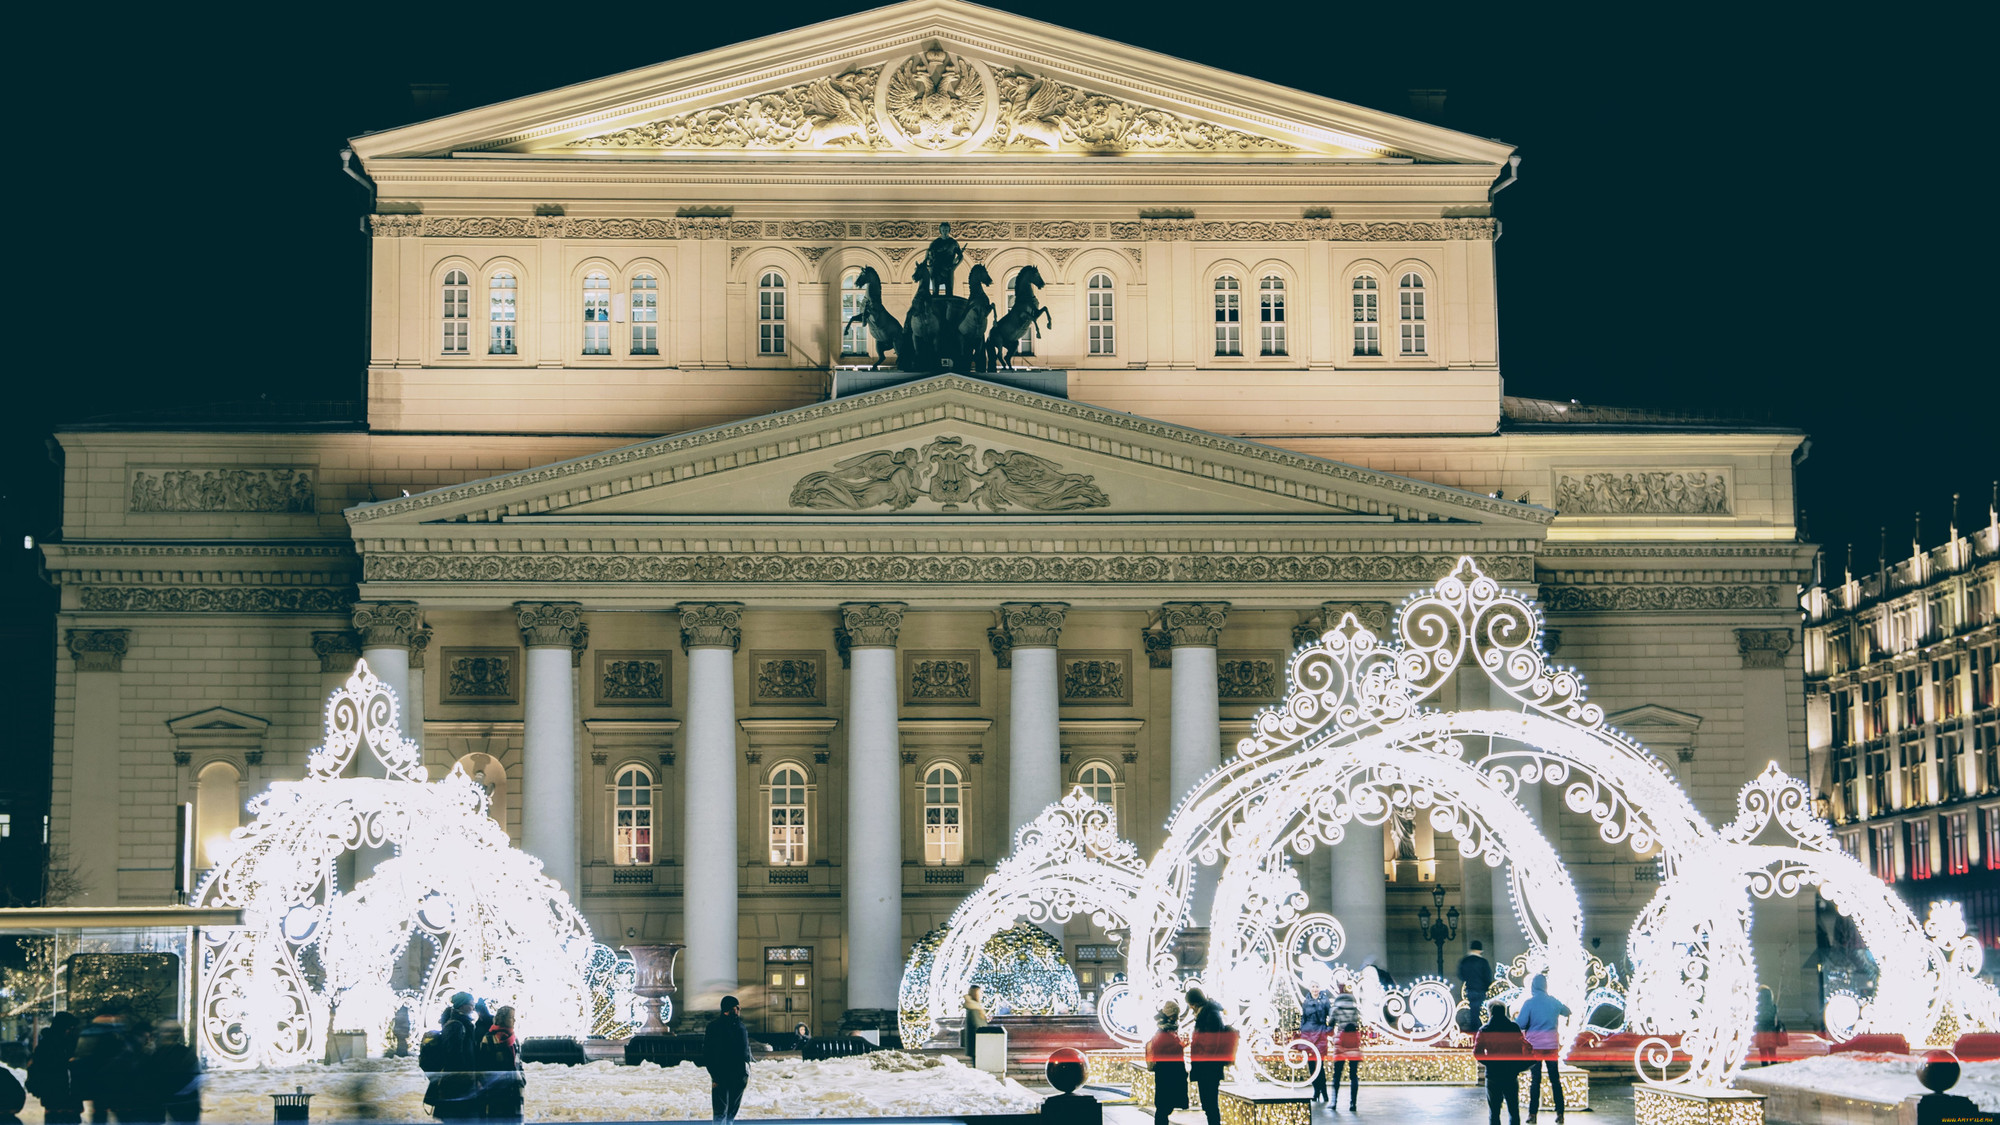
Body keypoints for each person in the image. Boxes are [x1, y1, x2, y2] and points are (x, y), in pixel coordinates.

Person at [1515, 975, 1571, 1124]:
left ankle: (1532, 1115)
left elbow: (1520, 1024)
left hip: (1535, 1048)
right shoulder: (1553, 1001)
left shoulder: (1529, 1003)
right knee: (1555, 1080)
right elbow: (1567, 1011)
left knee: (1535, 1081)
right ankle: (1560, 1114)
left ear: (1533, 986)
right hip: (1551, 1046)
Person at [423, 993, 489, 1120]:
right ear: (462, 1006)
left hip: (462, 1083)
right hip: (457, 1085)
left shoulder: (463, 1024)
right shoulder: (456, 1026)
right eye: (471, 1005)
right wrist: (469, 1078)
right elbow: (454, 1056)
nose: (473, 1008)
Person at [70, 1007, 139, 1125]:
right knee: (122, 1114)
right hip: (117, 1080)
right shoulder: (117, 1033)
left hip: (96, 1081)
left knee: (100, 1113)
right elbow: (128, 1055)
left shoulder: (88, 1032)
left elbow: (80, 1058)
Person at [1474, 1001, 1531, 1125]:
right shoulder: (1513, 1027)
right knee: (1513, 1110)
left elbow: (1477, 1053)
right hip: (1510, 1074)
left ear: (1490, 1012)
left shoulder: (1485, 1029)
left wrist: (1490, 1062)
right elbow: (1519, 1048)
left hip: (1493, 1075)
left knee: (1494, 1112)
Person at [1184, 987, 1235, 1125]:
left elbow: (1212, 1042)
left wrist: (1200, 1051)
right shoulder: (1206, 1014)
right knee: (1208, 1104)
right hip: (1205, 1066)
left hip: (1209, 1067)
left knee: (1210, 1104)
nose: (1190, 1008)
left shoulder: (1210, 1014)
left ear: (1194, 1003)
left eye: (1190, 1005)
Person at [25, 1012, 83, 1124]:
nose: (71, 1031)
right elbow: (53, 1068)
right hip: (59, 1092)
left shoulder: (47, 1044)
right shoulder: (59, 1045)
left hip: (53, 1095)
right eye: (70, 1028)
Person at [141, 1020, 203, 1123]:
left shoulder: (185, 1054)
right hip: (163, 1105)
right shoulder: (153, 1053)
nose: (169, 1034)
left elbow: (194, 1079)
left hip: (181, 1106)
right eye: (166, 1031)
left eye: (173, 1031)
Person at [703, 996, 753, 1124]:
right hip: (726, 1074)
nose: (739, 1010)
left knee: (725, 1111)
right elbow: (709, 1053)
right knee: (726, 1111)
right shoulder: (737, 1027)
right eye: (737, 1007)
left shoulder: (717, 1027)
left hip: (730, 1074)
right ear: (732, 1009)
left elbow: (708, 1053)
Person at [476, 1006, 524, 1123]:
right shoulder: (489, 1039)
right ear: (503, 1019)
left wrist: (521, 1078)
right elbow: (483, 1064)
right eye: (511, 1017)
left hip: (514, 1087)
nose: (514, 1020)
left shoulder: (514, 1039)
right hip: (497, 1088)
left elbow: (518, 1061)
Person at [1144, 1002, 1187, 1125]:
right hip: (1167, 1074)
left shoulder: (1169, 1030)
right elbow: (1163, 1051)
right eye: (1174, 1015)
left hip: (1168, 1073)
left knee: (1165, 1107)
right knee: (1164, 1107)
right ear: (1168, 1015)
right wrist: (1179, 1047)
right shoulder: (1163, 1033)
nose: (1176, 1018)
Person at [1328, 986, 1362, 1112]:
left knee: (1337, 1074)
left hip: (1341, 1042)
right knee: (1353, 1075)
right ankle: (1353, 1104)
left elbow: (1331, 1023)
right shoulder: (1354, 1008)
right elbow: (1358, 1022)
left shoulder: (1336, 1008)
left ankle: (1334, 1102)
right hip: (1353, 1041)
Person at [1297, 986, 1331, 1103]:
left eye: (1317, 987)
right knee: (1311, 1065)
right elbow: (1304, 1017)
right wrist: (1302, 1029)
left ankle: (1324, 1091)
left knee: (1320, 1066)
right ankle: (1316, 1090)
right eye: (1313, 987)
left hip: (1320, 1033)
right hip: (1308, 1034)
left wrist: (1328, 1029)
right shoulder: (1306, 1002)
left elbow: (1331, 1016)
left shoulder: (1325, 1001)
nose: (1315, 989)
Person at [1753, 986, 1786, 1066]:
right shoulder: (1773, 1006)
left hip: (1761, 1030)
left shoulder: (1758, 1007)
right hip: (1772, 1030)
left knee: (1763, 1051)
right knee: (1772, 1051)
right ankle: (1773, 1065)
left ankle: (1764, 1065)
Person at [1458, 941, 1494, 1014]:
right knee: (1478, 1011)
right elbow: (1487, 976)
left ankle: (1475, 1025)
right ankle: (1477, 1025)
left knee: (1473, 1011)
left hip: (1470, 988)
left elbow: (1461, 975)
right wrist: (1486, 987)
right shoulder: (1483, 962)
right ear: (1480, 950)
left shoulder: (1465, 961)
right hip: (1481, 989)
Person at [961, 984, 988, 1059]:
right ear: (975, 994)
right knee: (978, 1064)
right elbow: (977, 1024)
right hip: (977, 1042)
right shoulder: (973, 1007)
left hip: (976, 1042)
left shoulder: (974, 1006)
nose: (981, 995)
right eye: (980, 993)